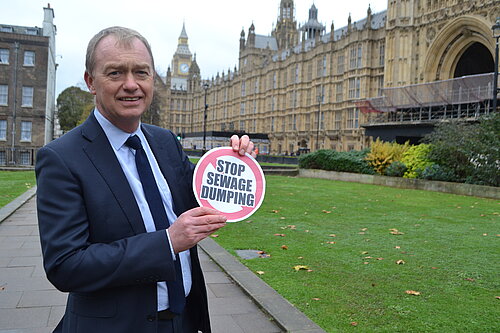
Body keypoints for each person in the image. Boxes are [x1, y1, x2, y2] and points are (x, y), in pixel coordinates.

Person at [35, 26, 255, 333]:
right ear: (90, 82)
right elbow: (66, 265)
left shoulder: (165, 142)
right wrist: (167, 243)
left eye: (141, 72)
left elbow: (207, 201)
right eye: (115, 73)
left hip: (185, 320)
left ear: (152, 79)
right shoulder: (62, 158)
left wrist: (236, 163)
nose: (131, 85)